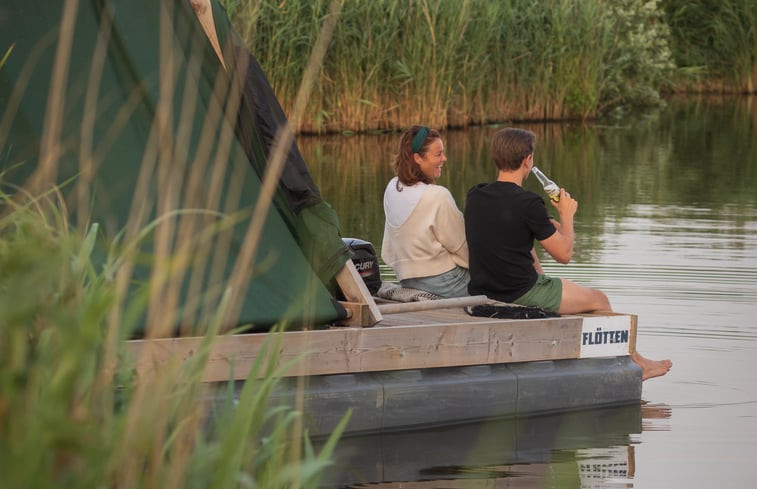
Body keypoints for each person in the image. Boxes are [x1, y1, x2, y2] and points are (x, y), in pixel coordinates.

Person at [464, 127, 672, 380]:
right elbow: (564, 255)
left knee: (549, 272)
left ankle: (624, 360)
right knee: (599, 300)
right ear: (528, 160)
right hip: (518, 291)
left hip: (483, 290)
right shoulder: (528, 203)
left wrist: (553, 222)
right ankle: (632, 365)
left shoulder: (476, 195)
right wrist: (567, 215)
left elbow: (527, 230)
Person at [381, 125, 470, 298]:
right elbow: (462, 246)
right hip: (447, 284)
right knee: (496, 280)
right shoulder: (437, 196)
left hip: (407, 281)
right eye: (438, 154)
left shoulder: (392, 187)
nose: (444, 158)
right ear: (418, 158)